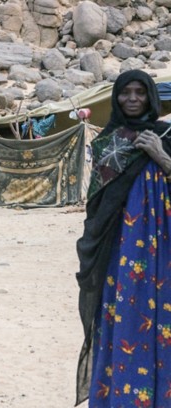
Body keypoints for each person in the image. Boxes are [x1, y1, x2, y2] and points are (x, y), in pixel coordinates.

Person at [75, 69, 171, 407]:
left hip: (165, 251)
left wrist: (161, 156)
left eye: (139, 93)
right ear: (115, 98)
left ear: (150, 98)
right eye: (125, 92)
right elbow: (97, 206)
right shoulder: (106, 143)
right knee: (126, 318)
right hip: (120, 252)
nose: (132, 99)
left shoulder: (166, 136)